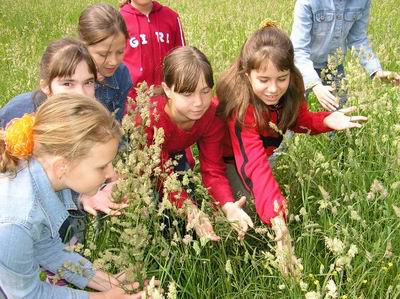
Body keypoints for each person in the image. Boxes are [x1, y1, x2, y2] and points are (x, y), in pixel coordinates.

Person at [216, 21, 367, 275]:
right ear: (247, 75)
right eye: (263, 80)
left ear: (290, 73)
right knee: (249, 209)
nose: (273, 89)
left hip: (264, 150)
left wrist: (326, 120)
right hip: (230, 158)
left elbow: (297, 119)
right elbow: (254, 163)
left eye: (281, 78)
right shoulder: (242, 106)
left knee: (266, 201)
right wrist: (278, 223)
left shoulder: (293, 85)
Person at [0, 94, 148, 299]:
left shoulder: (47, 174)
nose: (111, 174)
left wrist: (105, 281)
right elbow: (26, 296)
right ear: (63, 165)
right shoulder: (17, 222)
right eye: (102, 166)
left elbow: (46, 247)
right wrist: (103, 298)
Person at [141, 46, 254, 241]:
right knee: (158, 218)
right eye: (187, 94)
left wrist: (227, 205)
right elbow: (158, 171)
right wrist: (188, 207)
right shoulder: (151, 119)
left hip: (174, 154)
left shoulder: (211, 114)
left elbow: (212, 169)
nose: (199, 102)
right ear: (167, 89)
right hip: (140, 157)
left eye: (205, 91)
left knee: (188, 228)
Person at [291, 0, 400, 111]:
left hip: (335, 67)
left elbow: (358, 39)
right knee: (294, 114)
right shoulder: (308, 2)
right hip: (302, 67)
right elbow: (299, 49)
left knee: (340, 113)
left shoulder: (362, 2)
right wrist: (315, 84)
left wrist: (376, 71)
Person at [0, 38, 96, 128]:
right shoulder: (17, 113)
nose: (81, 93)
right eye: (68, 84)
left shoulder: (97, 123)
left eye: (88, 82)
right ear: (46, 86)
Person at [119, 0, 185, 99]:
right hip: (130, 101)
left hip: (167, 97)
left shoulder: (171, 17)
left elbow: (183, 60)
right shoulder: (118, 20)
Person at [79, 3, 133, 122]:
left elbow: (117, 125)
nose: (113, 62)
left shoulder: (122, 75)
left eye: (120, 52)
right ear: (83, 47)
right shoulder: (69, 76)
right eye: (103, 54)